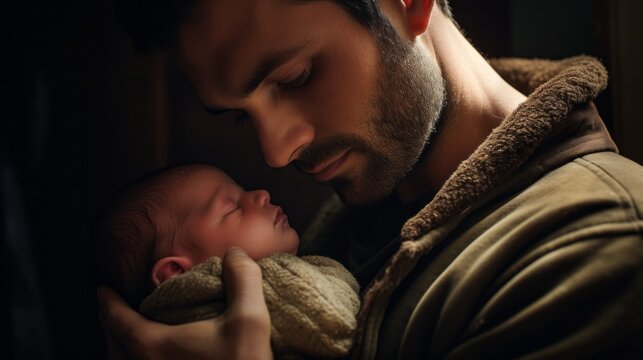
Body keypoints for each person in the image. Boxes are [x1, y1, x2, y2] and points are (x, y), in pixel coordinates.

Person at [99, 0, 643, 358]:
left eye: (296, 77)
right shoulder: (337, 231)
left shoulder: (599, 244)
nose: (275, 152)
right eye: (241, 115)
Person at [94, 164, 360, 358]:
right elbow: (334, 323)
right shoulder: (225, 300)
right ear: (175, 272)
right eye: (232, 207)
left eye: (242, 190)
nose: (261, 194)